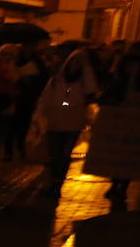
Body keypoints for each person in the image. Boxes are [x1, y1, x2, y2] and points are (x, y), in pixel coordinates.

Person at [33, 48, 98, 199]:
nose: (76, 64)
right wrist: (39, 113)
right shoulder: (56, 79)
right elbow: (46, 97)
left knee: (65, 154)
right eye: (74, 61)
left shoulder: (84, 80)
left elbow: (91, 89)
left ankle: (58, 183)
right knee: (55, 153)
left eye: (80, 62)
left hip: (73, 120)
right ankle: (54, 180)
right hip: (56, 119)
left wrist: (87, 68)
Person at [96, 52, 140, 208]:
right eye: (130, 66)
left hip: (138, 126)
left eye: (135, 66)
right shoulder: (118, 83)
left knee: (131, 158)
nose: (132, 69)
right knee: (118, 156)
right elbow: (104, 100)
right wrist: (115, 103)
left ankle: (124, 187)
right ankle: (115, 184)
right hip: (120, 125)